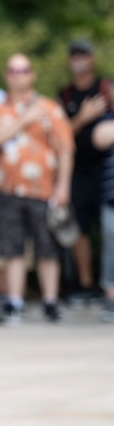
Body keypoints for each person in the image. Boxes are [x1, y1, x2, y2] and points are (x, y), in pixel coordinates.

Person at [0, 53, 74, 325]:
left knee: (47, 246)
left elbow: (66, 149)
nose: (18, 75)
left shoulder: (49, 107)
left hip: (44, 190)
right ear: (6, 75)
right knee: (12, 248)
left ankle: (49, 301)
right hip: (9, 189)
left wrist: (63, 185)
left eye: (23, 70)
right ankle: (15, 302)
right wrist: (24, 119)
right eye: (13, 70)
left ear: (32, 74)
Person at [57, 39, 110, 303]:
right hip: (76, 171)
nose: (79, 59)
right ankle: (87, 284)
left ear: (92, 59)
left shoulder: (106, 89)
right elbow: (59, 135)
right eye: (74, 55)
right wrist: (83, 118)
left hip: (106, 172)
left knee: (108, 228)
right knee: (80, 231)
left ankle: (107, 284)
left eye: (84, 55)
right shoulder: (64, 95)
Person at [90, 111, 114, 322]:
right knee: (111, 248)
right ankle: (111, 299)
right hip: (111, 199)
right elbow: (100, 137)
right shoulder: (106, 118)